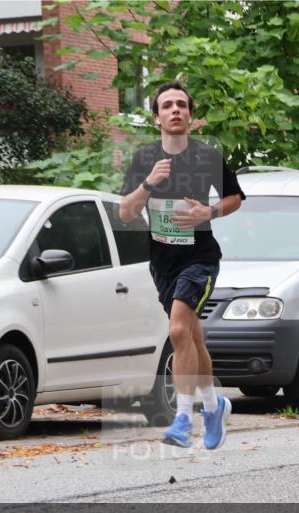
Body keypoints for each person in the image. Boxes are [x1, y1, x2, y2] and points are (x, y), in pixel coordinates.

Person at [118, 80, 245, 449]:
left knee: (177, 332)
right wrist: (148, 183)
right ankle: (214, 405)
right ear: (156, 117)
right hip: (162, 264)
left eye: (182, 105)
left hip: (200, 260)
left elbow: (236, 197)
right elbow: (127, 212)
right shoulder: (144, 159)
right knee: (191, 336)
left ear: (190, 115)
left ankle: (182, 419)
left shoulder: (207, 156)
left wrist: (210, 211)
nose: (175, 110)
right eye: (167, 106)